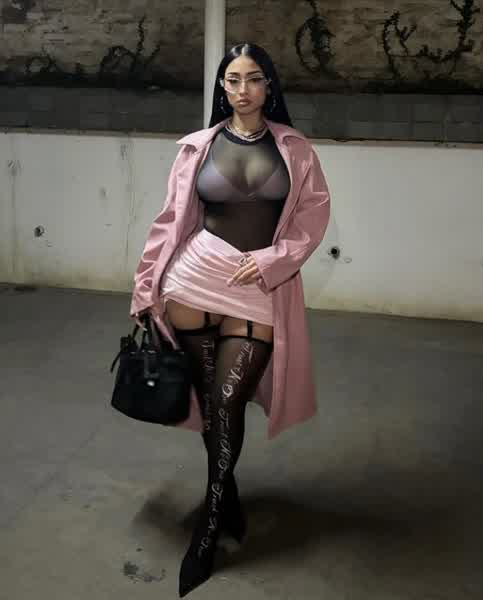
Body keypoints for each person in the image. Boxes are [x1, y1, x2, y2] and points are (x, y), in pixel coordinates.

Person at [130, 42, 331, 597]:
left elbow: (312, 220)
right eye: (233, 79)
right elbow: (170, 221)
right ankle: (226, 500)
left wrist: (272, 260)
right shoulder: (197, 147)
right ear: (223, 87)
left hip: (257, 287)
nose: (243, 90)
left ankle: (210, 523)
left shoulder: (295, 149)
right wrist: (146, 285)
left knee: (227, 401)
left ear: (270, 86)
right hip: (193, 280)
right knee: (214, 404)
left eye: (254, 79)